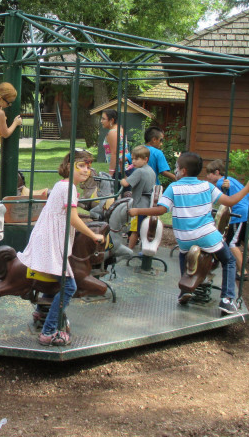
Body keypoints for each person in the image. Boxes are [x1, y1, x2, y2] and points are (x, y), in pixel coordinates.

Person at [129, 152, 249, 315]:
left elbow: (161, 210)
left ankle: (185, 289)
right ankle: (227, 299)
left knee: (184, 255)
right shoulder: (207, 186)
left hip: (184, 238)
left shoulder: (174, 188)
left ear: (183, 171)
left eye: (176, 168)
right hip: (207, 235)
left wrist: (137, 210)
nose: (175, 171)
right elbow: (230, 202)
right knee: (229, 260)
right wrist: (247, 188)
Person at [16, 149, 105, 346]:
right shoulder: (68, 188)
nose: (86, 170)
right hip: (50, 239)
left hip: (48, 236)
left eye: (88, 166)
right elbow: (73, 218)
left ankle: (42, 311)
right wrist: (93, 235)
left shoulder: (64, 186)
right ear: (68, 167)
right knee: (69, 286)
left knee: (58, 278)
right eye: (80, 165)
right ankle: (49, 331)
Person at [204, 159, 249, 277]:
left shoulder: (220, 183)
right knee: (240, 236)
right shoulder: (232, 180)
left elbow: (220, 199)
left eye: (209, 174)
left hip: (239, 214)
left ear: (216, 172)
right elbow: (247, 194)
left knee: (231, 243)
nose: (207, 177)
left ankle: (242, 272)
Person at [119, 145, 155, 252]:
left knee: (135, 230)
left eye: (137, 159)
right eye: (132, 158)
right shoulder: (151, 170)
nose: (133, 161)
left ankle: (129, 250)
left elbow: (125, 183)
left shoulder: (139, 171)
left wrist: (121, 179)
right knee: (142, 228)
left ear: (145, 159)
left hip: (139, 204)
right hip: (148, 204)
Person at [100, 110, 127, 176]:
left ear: (111, 120)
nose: (101, 121)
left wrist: (111, 173)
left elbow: (114, 153)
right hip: (124, 167)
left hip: (117, 170)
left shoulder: (112, 132)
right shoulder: (120, 128)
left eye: (103, 119)